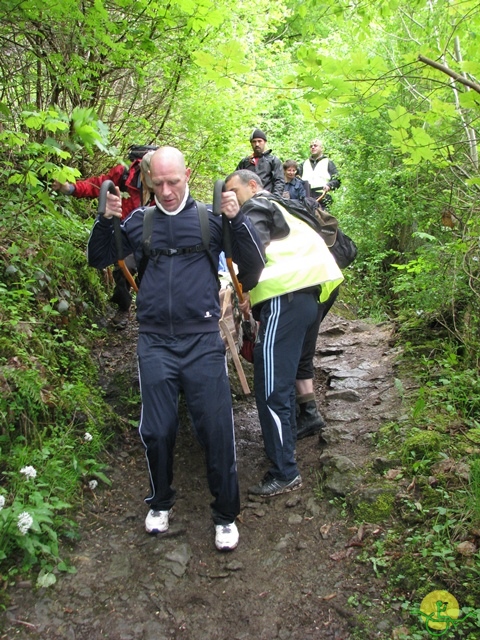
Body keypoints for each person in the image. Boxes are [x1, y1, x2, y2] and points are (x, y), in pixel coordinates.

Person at [87, 147, 265, 551]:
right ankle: (160, 502)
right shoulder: (139, 221)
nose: (166, 191)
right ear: (150, 181)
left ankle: (224, 515)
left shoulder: (210, 219)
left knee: (216, 429)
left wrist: (236, 222)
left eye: (174, 181)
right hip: (154, 342)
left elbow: (253, 267)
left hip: (202, 339)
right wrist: (105, 221)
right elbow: (99, 257)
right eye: (159, 183)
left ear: (188, 175)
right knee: (157, 429)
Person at [223, 169, 343, 497]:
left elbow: (254, 251)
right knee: (283, 381)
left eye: (233, 190)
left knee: (271, 387)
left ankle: (285, 471)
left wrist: (245, 289)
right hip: (309, 295)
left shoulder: (255, 206)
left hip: (283, 298)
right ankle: (283, 445)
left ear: (252, 185)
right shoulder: (284, 204)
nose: (229, 198)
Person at [53, 144, 157, 329]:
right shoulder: (124, 175)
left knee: (150, 272)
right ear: (143, 170)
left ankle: (152, 310)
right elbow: (98, 185)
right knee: (122, 269)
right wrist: (71, 188)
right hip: (126, 233)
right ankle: (124, 308)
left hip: (151, 237)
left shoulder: (165, 185)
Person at [236, 129, 285, 197]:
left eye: (259, 141)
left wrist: (274, 198)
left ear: (264, 142)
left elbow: (279, 181)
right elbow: (236, 180)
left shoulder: (273, 161)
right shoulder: (245, 162)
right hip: (247, 199)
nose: (257, 144)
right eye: (254, 142)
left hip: (266, 199)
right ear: (251, 143)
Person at [298, 139, 340, 209]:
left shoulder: (328, 162)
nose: (313, 147)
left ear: (321, 148)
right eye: (311, 146)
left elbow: (337, 180)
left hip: (323, 196)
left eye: (315, 145)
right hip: (306, 197)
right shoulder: (304, 164)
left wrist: (329, 185)